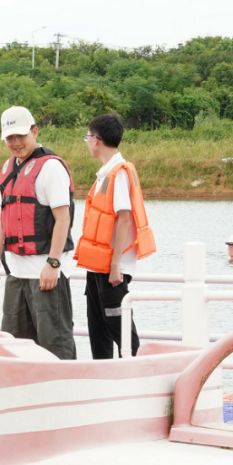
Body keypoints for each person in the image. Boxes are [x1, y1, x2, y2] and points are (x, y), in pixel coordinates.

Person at [0, 107, 75, 359]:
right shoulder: (7, 167)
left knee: (55, 345)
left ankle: (65, 385)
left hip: (46, 273)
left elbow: (63, 218)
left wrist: (53, 264)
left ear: (34, 132)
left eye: (21, 136)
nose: (16, 143)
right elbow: (4, 219)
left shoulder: (51, 168)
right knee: (15, 347)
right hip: (16, 273)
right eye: (10, 138)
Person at [74, 113, 157, 359]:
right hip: (97, 266)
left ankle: (138, 374)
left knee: (120, 329)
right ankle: (104, 378)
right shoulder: (105, 173)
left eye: (87, 137)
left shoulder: (118, 173)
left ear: (96, 140)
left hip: (112, 270)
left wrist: (114, 266)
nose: (87, 142)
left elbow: (124, 219)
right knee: (98, 329)